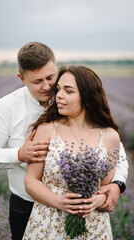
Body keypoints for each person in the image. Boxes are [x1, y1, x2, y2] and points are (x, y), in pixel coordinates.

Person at [0, 42, 128, 239]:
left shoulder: (68, 97)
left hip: (83, 210)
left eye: (50, 77)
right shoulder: (8, 106)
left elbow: (114, 152)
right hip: (28, 205)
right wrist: (19, 154)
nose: (47, 87)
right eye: (37, 81)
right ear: (21, 79)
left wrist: (117, 185)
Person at [23, 65, 128, 239]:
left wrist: (100, 200)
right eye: (58, 90)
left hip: (93, 225)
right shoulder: (47, 130)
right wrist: (60, 202)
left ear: (87, 97)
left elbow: (105, 188)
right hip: (48, 223)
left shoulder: (110, 136)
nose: (59, 96)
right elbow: (30, 181)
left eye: (68, 91)